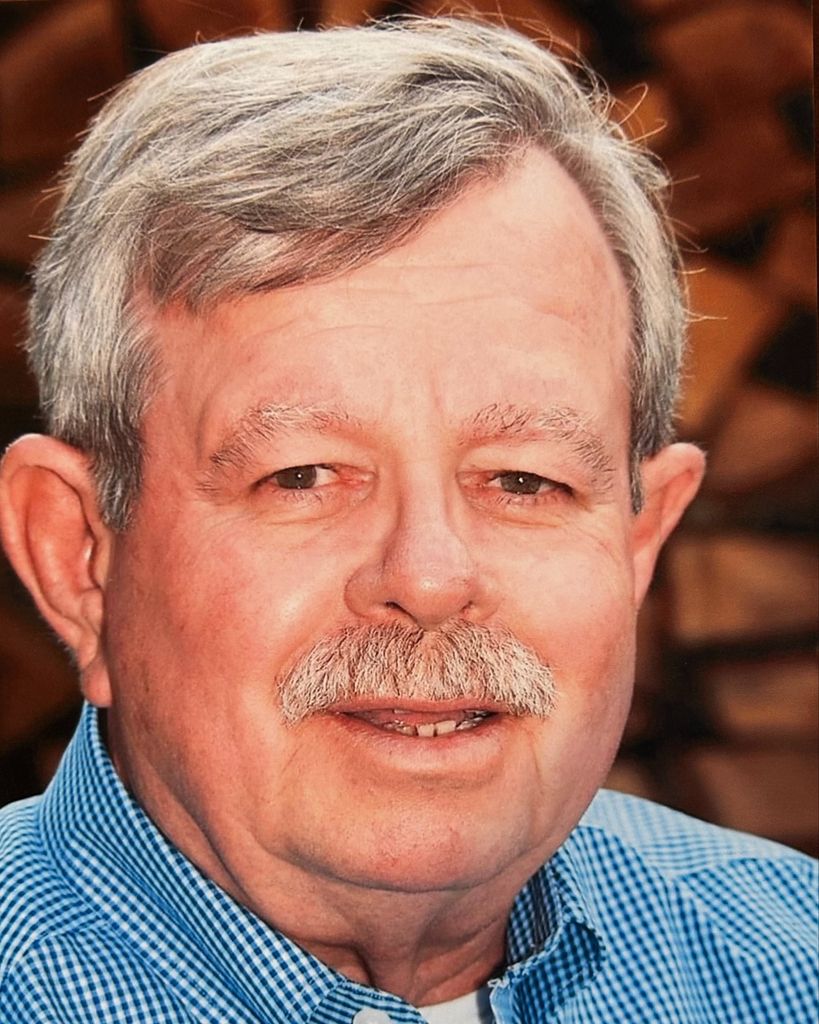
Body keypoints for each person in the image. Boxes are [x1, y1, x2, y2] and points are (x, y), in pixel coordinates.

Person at [0, 16, 815, 1024]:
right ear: (77, 558)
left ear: (639, 545)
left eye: (524, 481)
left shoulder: (792, 960)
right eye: (303, 475)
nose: (429, 576)